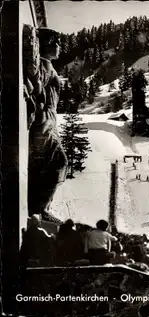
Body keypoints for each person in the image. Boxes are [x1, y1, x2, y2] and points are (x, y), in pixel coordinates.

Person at [28, 27, 68, 219]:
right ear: (47, 45)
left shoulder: (47, 66)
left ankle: (41, 207)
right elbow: (36, 89)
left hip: (48, 123)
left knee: (51, 165)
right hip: (44, 124)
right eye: (56, 43)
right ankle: (40, 208)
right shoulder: (44, 66)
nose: (59, 47)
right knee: (58, 163)